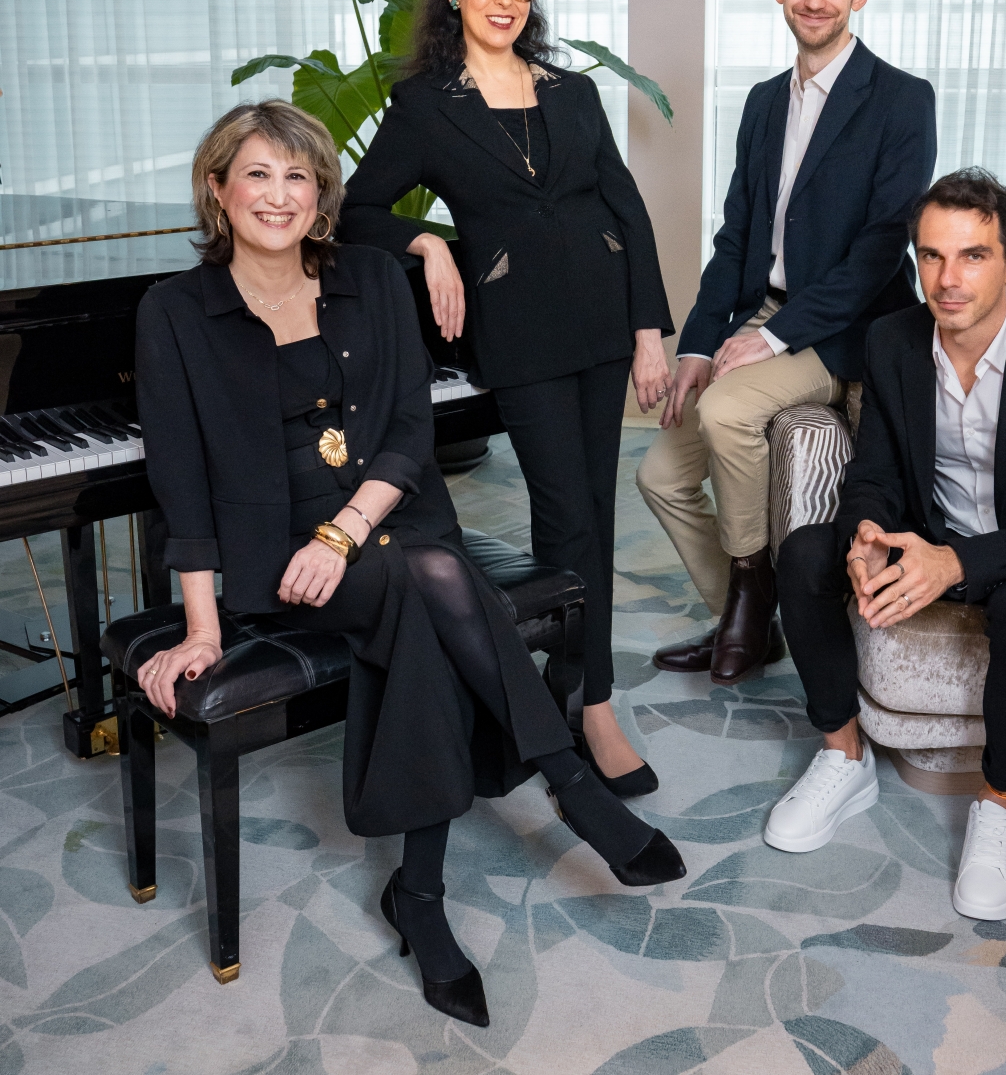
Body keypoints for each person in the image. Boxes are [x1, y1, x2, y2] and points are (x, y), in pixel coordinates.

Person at [132, 101, 686, 1028]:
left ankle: (419, 895)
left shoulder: (372, 278)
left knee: (420, 589)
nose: (279, 194)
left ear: (321, 197)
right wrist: (201, 626)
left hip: (381, 519)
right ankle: (566, 778)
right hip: (284, 561)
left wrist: (346, 531)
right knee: (430, 585)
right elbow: (180, 481)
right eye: (257, 174)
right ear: (219, 189)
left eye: (299, 176)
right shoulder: (175, 311)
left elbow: (405, 434)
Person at [766, 168, 1006, 920]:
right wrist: (867, 533)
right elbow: (875, 470)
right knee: (806, 553)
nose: (948, 280)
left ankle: (1003, 800)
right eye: (932, 256)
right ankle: (844, 755)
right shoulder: (893, 341)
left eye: (973, 255)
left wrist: (956, 563)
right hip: (932, 533)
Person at [339, 0, 674, 796]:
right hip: (520, 333)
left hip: (604, 323)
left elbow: (626, 209)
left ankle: (582, 692)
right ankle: (585, 703)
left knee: (593, 509)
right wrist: (432, 242)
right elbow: (356, 212)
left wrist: (650, 329)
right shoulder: (423, 106)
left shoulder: (571, 91)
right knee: (564, 511)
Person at [638, 0, 938, 686]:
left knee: (730, 411)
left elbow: (879, 251)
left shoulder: (903, 100)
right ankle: (748, 617)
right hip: (765, 313)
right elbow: (735, 239)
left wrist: (771, 340)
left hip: (846, 330)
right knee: (658, 477)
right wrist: (701, 344)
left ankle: (747, 600)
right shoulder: (765, 102)